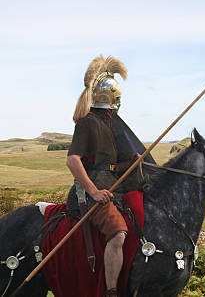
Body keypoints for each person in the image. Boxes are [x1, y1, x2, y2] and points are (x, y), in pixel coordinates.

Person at [66, 55, 137, 297]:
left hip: (113, 189)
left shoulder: (110, 125)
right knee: (118, 233)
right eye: (116, 97)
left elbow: (110, 167)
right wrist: (93, 192)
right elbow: (73, 160)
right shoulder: (87, 123)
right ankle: (111, 291)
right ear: (108, 98)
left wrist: (131, 162)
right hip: (92, 194)